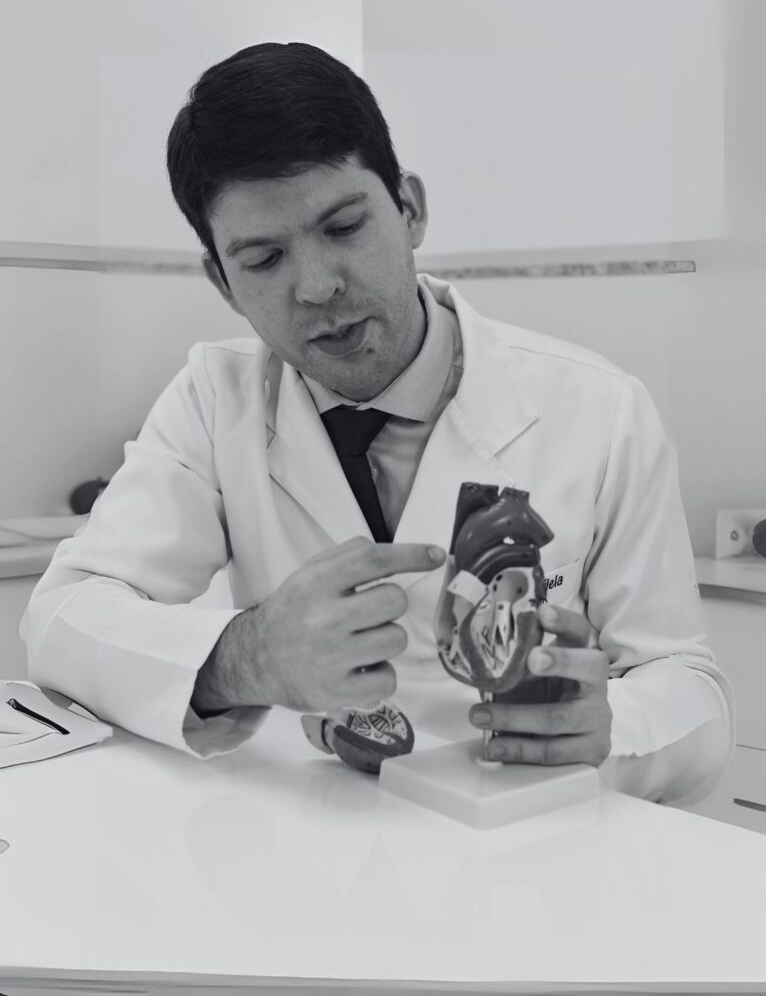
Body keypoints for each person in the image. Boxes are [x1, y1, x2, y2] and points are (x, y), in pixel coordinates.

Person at [21, 42, 732, 802]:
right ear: (221, 282)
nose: (319, 287)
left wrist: (610, 727)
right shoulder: (215, 398)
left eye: (345, 226)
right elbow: (61, 622)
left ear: (411, 209)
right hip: (322, 850)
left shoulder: (599, 412)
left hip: (530, 851)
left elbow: (689, 686)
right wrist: (246, 655)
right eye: (263, 261)